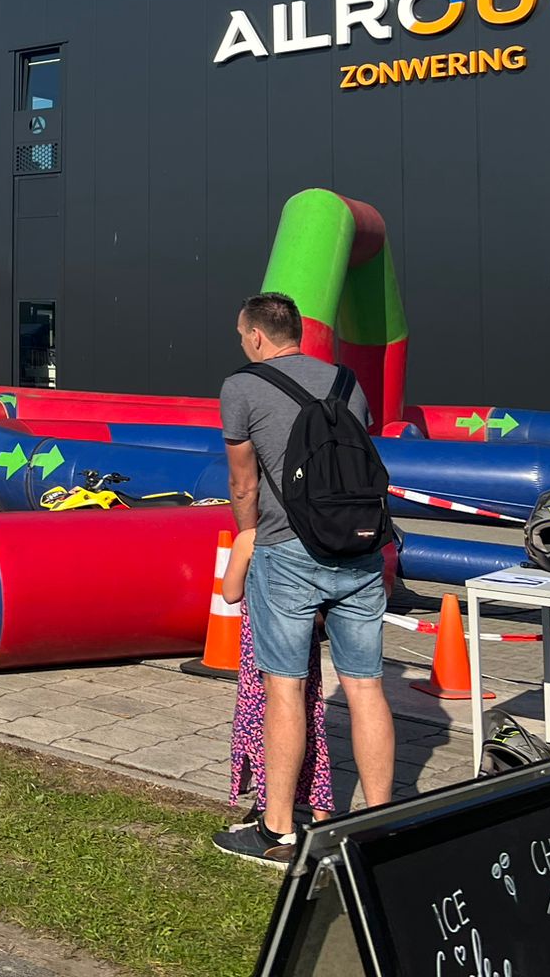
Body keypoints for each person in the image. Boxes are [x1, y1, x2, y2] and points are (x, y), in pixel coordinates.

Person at [213, 292, 393, 864]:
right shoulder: (347, 382)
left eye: (243, 336)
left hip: (287, 552)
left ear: (258, 337)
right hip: (361, 549)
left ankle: (278, 829)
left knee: (284, 685)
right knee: (365, 685)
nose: (243, 344)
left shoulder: (241, 385)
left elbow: (243, 482)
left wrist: (250, 533)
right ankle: (376, 820)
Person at [223, 527, 334, 831]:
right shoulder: (317, 537)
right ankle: (321, 810)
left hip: (261, 650)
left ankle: (272, 810)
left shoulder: (249, 539)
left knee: (263, 724)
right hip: (305, 643)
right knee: (310, 722)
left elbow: (230, 593)